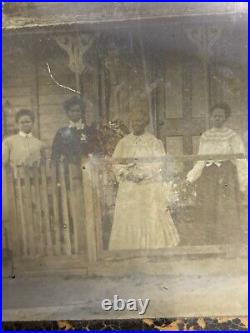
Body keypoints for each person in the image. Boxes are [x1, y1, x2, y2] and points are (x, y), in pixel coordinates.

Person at [109, 109, 180, 250]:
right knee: (130, 213)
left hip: (148, 183)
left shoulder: (154, 142)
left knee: (150, 212)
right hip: (129, 183)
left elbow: (159, 163)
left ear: (145, 123)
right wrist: (127, 173)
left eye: (140, 121)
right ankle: (129, 247)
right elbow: (115, 163)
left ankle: (153, 246)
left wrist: (143, 174)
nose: (136, 124)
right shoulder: (124, 142)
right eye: (134, 121)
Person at [186, 103, 247, 244]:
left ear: (225, 117)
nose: (217, 118)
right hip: (209, 173)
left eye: (220, 116)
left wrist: (244, 181)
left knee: (226, 205)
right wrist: (191, 177)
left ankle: (229, 240)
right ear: (211, 117)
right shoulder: (206, 135)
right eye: (215, 116)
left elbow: (240, 158)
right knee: (209, 204)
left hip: (226, 173)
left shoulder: (232, 135)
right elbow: (201, 158)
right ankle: (211, 239)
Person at [51, 95, 102, 164]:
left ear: (82, 113)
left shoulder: (90, 130)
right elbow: (55, 155)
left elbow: (97, 152)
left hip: (86, 167)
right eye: (72, 111)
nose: (75, 113)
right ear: (67, 113)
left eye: (78, 111)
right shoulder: (61, 133)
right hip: (68, 168)